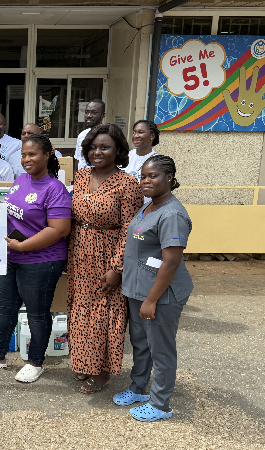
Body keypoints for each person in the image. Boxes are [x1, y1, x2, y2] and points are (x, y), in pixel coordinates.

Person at [0, 134, 71, 383]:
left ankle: (35, 361)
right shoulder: (21, 179)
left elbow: (59, 229)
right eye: (23, 155)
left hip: (41, 261)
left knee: (36, 312)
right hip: (12, 255)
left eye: (32, 154)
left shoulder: (54, 188)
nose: (26, 159)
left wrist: (23, 246)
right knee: (4, 308)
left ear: (47, 155)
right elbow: (16, 211)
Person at [114, 155, 193, 422]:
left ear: (169, 177)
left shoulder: (172, 214)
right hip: (139, 289)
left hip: (160, 295)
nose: (146, 181)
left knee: (161, 349)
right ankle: (138, 388)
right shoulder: (149, 206)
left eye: (153, 176)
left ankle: (160, 404)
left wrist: (151, 300)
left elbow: (171, 262)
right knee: (141, 344)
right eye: (143, 176)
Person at [67, 123, 143, 394]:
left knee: (104, 314)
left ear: (118, 150)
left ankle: (101, 373)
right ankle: (84, 362)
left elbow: (130, 229)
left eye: (105, 147)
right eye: (93, 147)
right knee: (80, 310)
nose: (97, 152)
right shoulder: (82, 176)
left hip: (107, 256)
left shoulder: (128, 184)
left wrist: (117, 268)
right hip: (79, 254)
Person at [125, 120, 160, 199]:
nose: (136, 136)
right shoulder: (125, 156)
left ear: (152, 136)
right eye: (134, 132)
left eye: (140, 132)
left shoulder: (158, 162)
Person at [74, 100, 105, 171]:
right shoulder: (82, 135)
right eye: (87, 112)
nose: (89, 116)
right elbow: (78, 159)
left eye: (94, 112)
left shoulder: (108, 136)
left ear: (103, 115)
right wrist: (75, 177)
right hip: (82, 177)